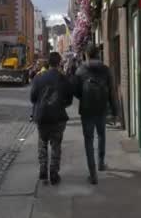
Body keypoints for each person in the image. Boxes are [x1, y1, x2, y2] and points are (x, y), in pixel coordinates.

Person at [73, 44, 118, 185]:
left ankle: (92, 174)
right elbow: (112, 91)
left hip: (86, 110)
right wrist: (115, 111)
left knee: (88, 140)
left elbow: (76, 91)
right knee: (101, 135)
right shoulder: (105, 69)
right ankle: (101, 163)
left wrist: (83, 98)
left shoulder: (80, 70)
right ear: (98, 54)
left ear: (86, 55)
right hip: (101, 108)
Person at [30, 52, 74, 185]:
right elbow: (69, 99)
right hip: (58, 116)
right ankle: (54, 173)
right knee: (56, 145)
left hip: (42, 116)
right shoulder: (63, 78)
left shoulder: (39, 78)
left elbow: (33, 98)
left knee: (42, 143)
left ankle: (43, 170)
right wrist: (61, 104)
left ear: (48, 63)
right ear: (59, 62)